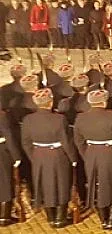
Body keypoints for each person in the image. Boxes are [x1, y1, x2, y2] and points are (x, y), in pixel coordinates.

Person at [73, 88, 112, 230]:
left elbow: (78, 141)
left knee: (97, 186)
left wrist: (86, 155)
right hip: (111, 153)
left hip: (91, 154)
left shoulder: (80, 118)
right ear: (104, 102)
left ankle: (103, 219)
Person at [21, 88, 76, 227]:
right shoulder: (59, 119)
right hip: (58, 155)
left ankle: (50, 217)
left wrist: (34, 156)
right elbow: (66, 141)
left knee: (45, 185)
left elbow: (26, 142)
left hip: (38, 155)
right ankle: (60, 218)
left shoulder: (27, 119)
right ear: (51, 102)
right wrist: (73, 158)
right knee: (62, 184)